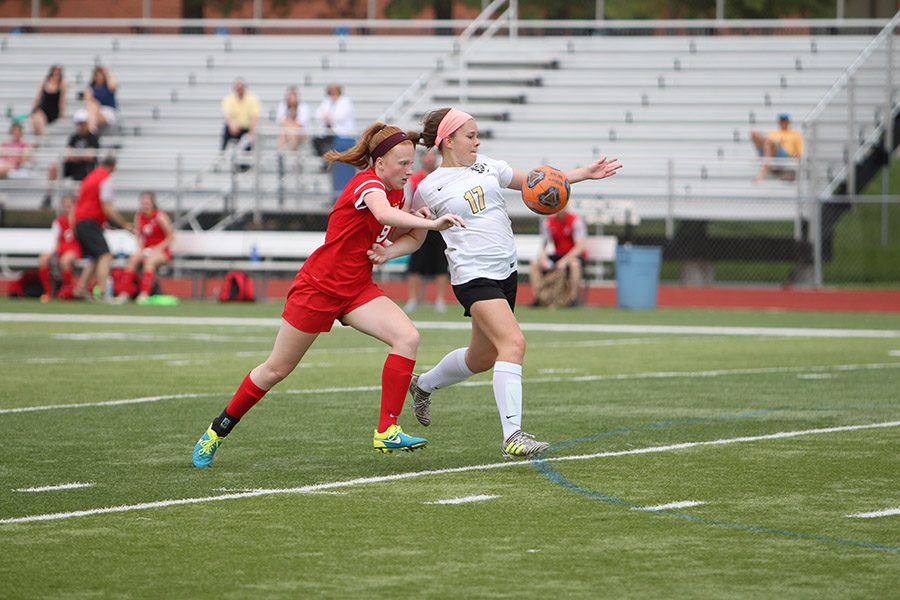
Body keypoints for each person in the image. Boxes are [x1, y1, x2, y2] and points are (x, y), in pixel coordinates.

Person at [191, 122, 465, 469]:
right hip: (319, 288)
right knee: (276, 369)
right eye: (402, 163)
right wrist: (429, 222)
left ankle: (387, 429)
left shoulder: (398, 191)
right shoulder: (368, 183)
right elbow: (382, 213)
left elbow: (407, 237)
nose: (409, 170)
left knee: (407, 337)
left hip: (356, 289)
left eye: (412, 163)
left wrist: (394, 245)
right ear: (380, 163)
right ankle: (218, 429)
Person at [407, 107, 621, 459]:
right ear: (447, 141)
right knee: (513, 343)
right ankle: (513, 437)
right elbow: (408, 227)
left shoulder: (489, 165)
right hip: (472, 275)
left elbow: (536, 181)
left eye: (477, 135)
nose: (477, 140)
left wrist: (584, 173)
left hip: (505, 271)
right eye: (470, 135)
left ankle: (424, 385)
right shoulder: (427, 187)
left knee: (482, 357)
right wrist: (393, 241)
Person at [71, 156, 134, 302]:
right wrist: (124, 225)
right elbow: (107, 207)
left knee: (96, 256)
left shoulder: (90, 177)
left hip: (81, 220)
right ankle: (104, 292)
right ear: (113, 167)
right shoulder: (105, 180)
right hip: (89, 221)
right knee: (106, 255)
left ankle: (80, 289)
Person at [404, 148, 450, 313]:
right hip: (420, 224)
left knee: (441, 265)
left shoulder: (443, 178)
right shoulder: (413, 179)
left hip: (440, 226)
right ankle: (413, 298)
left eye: (433, 156)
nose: (430, 159)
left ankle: (439, 299)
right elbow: (408, 202)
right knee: (415, 265)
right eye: (427, 156)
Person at [117, 191, 174, 303]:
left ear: (153, 203)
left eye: (147, 202)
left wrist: (156, 249)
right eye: (143, 202)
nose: (145, 205)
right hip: (146, 249)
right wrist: (141, 249)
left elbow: (171, 237)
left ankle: (144, 294)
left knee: (150, 261)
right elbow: (139, 236)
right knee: (133, 259)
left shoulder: (160, 216)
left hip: (161, 250)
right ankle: (124, 293)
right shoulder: (139, 216)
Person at [529, 205, 587, 307]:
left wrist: (565, 260)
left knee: (574, 264)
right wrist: (543, 258)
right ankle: (538, 298)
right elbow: (544, 245)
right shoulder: (548, 222)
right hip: (558, 255)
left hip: (572, 255)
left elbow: (580, 247)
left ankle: (573, 299)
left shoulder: (575, 221)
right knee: (534, 263)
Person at [43, 109, 100, 208]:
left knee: (78, 186)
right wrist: (81, 155)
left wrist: (76, 155)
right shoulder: (74, 137)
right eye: (79, 123)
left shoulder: (93, 138)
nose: (81, 126)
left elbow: (90, 156)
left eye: (82, 123)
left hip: (85, 168)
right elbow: (69, 154)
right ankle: (49, 195)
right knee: (54, 167)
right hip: (73, 166)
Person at [38, 194, 82, 301]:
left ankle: (66, 291)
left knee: (65, 261)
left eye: (70, 205)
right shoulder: (58, 221)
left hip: (75, 248)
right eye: (65, 205)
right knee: (43, 259)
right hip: (62, 248)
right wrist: (54, 252)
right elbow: (57, 240)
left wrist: (72, 217)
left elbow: (79, 235)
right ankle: (49, 291)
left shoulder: (80, 220)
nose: (67, 207)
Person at [751, 113, 804, 183]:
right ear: (779, 122)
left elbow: (800, 152)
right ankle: (766, 165)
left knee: (769, 143)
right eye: (781, 120)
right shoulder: (772, 133)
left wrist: (796, 157)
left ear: (788, 122)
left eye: (785, 120)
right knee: (754, 133)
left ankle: (764, 171)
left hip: (784, 154)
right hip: (769, 151)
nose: (783, 122)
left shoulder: (795, 135)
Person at [312, 83, 355, 157]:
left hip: (341, 133)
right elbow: (318, 114)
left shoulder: (345, 102)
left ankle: (330, 159)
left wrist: (328, 116)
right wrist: (328, 116)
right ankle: (325, 160)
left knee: (332, 143)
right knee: (316, 141)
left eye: (335, 92)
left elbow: (340, 117)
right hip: (328, 132)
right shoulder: (327, 101)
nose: (333, 94)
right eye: (331, 92)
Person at [221, 78, 260, 151]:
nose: (240, 90)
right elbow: (227, 115)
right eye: (238, 88)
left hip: (247, 129)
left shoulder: (252, 99)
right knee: (226, 131)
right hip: (234, 128)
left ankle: (246, 161)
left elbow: (255, 118)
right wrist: (232, 125)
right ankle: (222, 155)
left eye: (241, 87)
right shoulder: (229, 99)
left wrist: (251, 133)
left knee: (249, 143)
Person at [30, 64, 67, 138]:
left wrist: (62, 113)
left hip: (53, 111)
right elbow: (39, 96)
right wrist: (34, 106)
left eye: (58, 73)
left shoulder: (62, 84)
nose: (56, 75)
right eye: (55, 73)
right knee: (35, 116)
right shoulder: (45, 82)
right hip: (43, 108)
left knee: (38, 117)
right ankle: (41, 135)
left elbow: (62, 100)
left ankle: (43, 135)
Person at [83, 65, 118, 135]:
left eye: (100, 75)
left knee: (92, 111)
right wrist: (96, 106)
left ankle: (91, 131)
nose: (98, 77)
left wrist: (107, 74)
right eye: (96, 75)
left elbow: (114, 86)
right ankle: (92, 130)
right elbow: (87, 101)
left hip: (108, 111)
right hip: (94, 111)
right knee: (93, 106)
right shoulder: (91, 88)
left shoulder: (108, 86)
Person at [276, 86, 311, 152]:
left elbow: (300, 123)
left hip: (302, 134)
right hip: (287, 132)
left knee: (293, 131)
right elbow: (281, 121)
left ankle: (285, 153)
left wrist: (290, 124)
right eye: (290, 96)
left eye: (293, 96)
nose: (291, 98)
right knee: (285, 132)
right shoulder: (283, 106)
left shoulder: (303, 106)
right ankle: (284, 154)